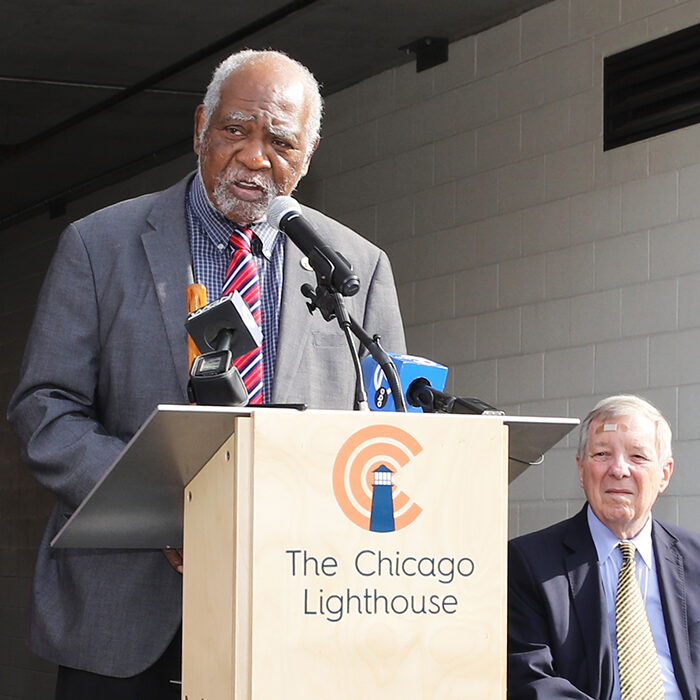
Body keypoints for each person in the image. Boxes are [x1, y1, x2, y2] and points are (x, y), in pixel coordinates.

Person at [7, 49, 405, 699]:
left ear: (308, 154)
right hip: (124, 622)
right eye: (235, 129)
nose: (255, 156)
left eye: (280, 140)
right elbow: (45, 410)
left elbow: (380, 435)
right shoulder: (99, 244)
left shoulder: (354, 268)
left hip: (295, 611)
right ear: (199, 127)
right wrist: (176, 510)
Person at [508, 395, 700, 699]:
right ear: (581, 470)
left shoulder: (695, 560)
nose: (619, 470)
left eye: (638, 457)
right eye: (601, 454)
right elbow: (531, 680)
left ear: (664, 474)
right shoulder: (529, 564)